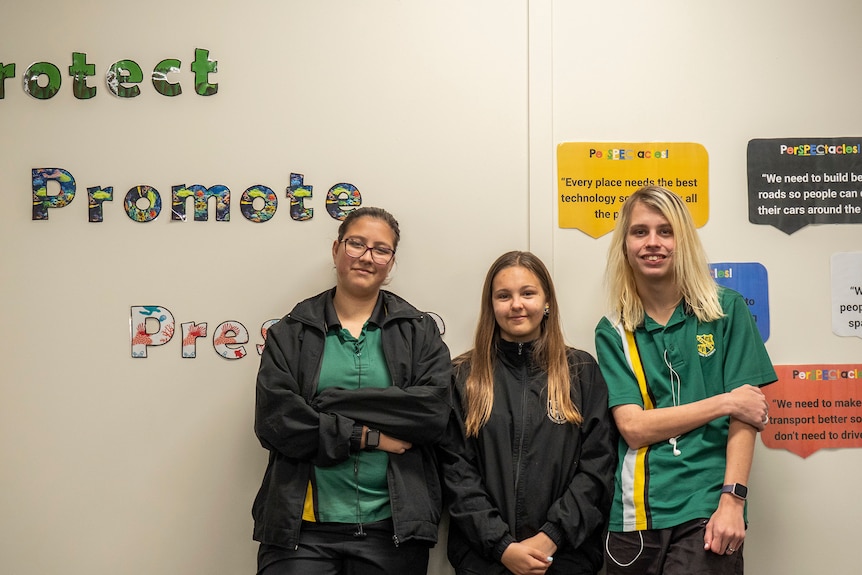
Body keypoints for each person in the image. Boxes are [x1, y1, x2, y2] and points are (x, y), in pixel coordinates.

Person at [252, 206, 452, 575]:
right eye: (356, 244)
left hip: (391, 530)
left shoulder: (419, 332)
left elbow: (433, 414)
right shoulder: (290, 332)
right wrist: (370, 437)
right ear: (336, 249)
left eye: (381, 249)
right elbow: (276, 422)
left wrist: (328, 403)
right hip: (303, 531)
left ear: (391, 262)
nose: (367, 257)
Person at [594, 186, 777, 575]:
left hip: (707, 506)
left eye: (666, 231)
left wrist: (733, 501)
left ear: (684, 240)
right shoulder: (614, 330)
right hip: (635, 512)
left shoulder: (726, 310)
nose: (653, 243)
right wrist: (725, 402)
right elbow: (634, 427)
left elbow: (747, 419)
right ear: (624, 245)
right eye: (639, 232)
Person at [439, 250, 616, 575]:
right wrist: (502, 546)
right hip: (485, 561)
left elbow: (598, 467)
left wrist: (551, 537)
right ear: (491, 305)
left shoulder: (580, 372)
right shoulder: (463, 376)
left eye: (528, 293)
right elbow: (456, 472)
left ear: (547, 301)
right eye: (504, 295)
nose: (516, 304)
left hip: (563, 559)